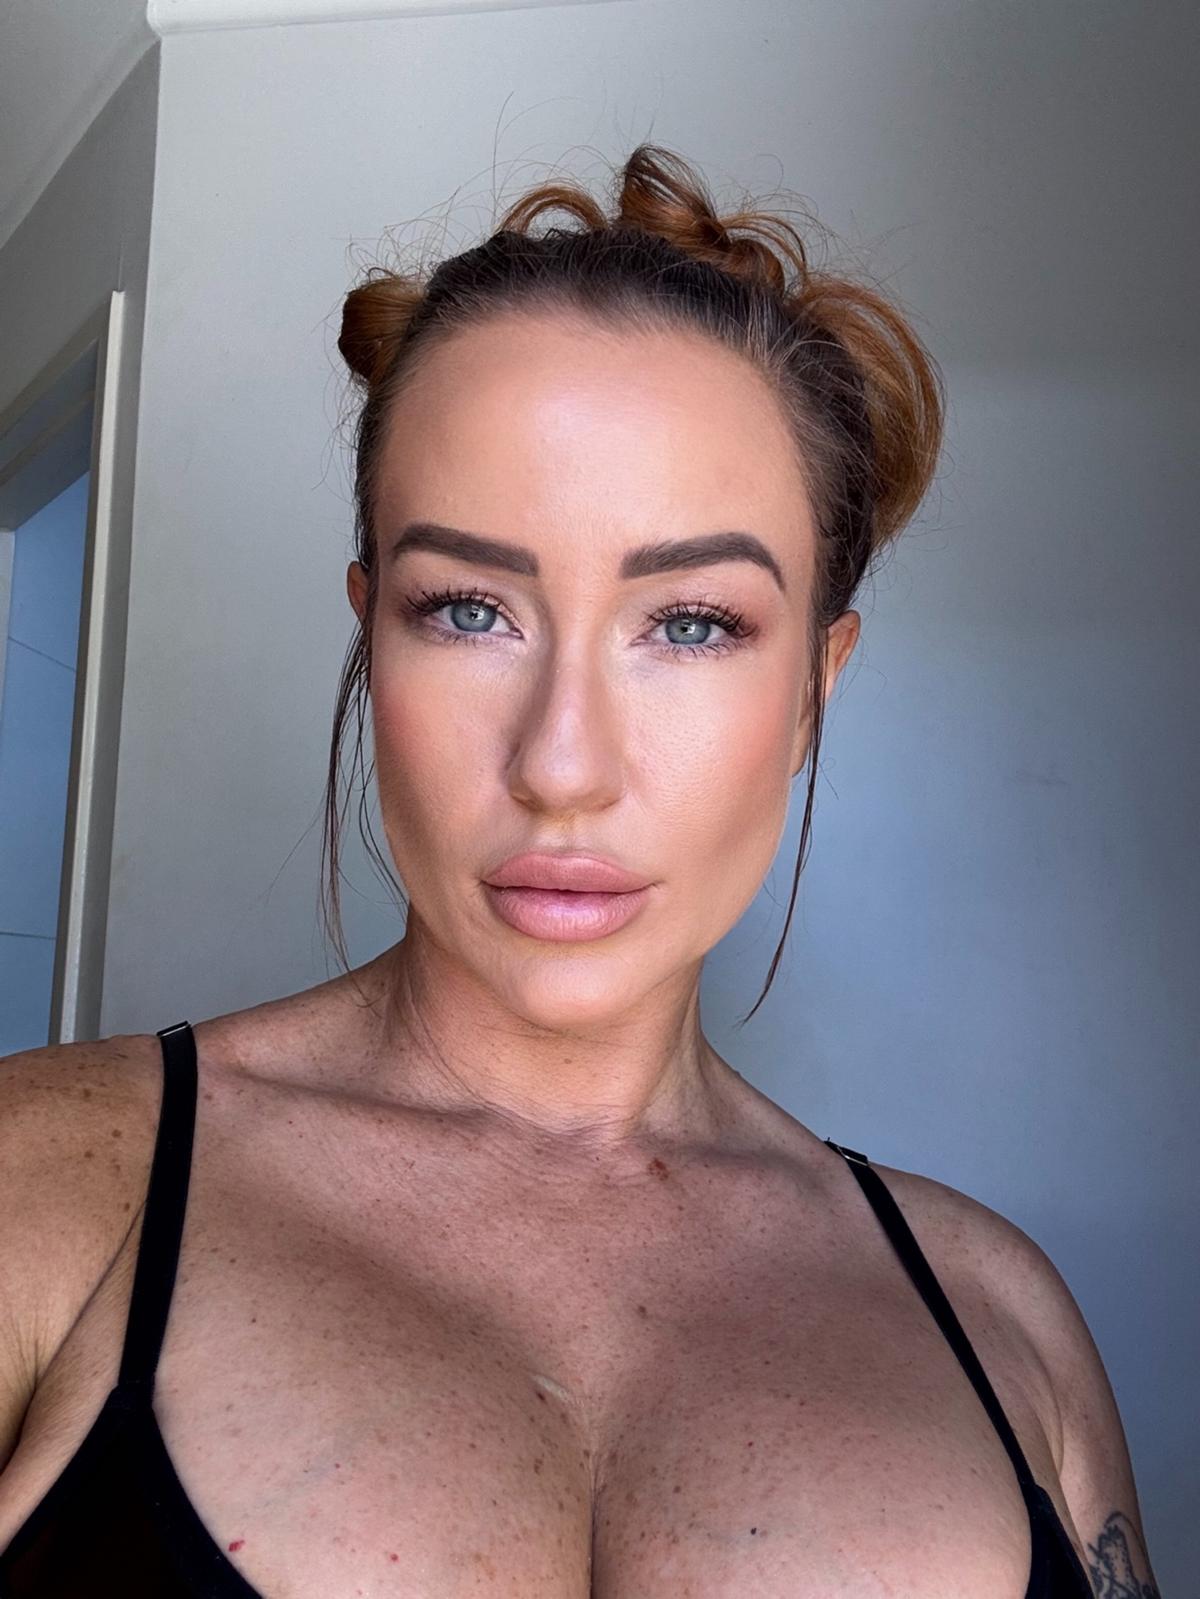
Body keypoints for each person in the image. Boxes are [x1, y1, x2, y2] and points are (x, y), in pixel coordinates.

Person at [0, 143, 1158, 1597]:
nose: (562, 765)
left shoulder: (1008, 1326)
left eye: (692, 625)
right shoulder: (49, 1192)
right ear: (373, 632)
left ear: (816, 686)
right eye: (468, 609)